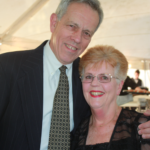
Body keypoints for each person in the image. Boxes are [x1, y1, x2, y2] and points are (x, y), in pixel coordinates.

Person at [0, 0, 150, 150]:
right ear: (53, 23)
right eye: (72, 26)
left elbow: (110, 112)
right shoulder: (7, 67)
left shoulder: (88, 76)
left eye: (86, 33)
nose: (77, 39)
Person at [71, 45, 150, 150]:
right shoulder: (77, 130)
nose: (94, 83)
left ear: (119, 86)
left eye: (104, 77)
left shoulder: (142, 127)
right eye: (89, 76)